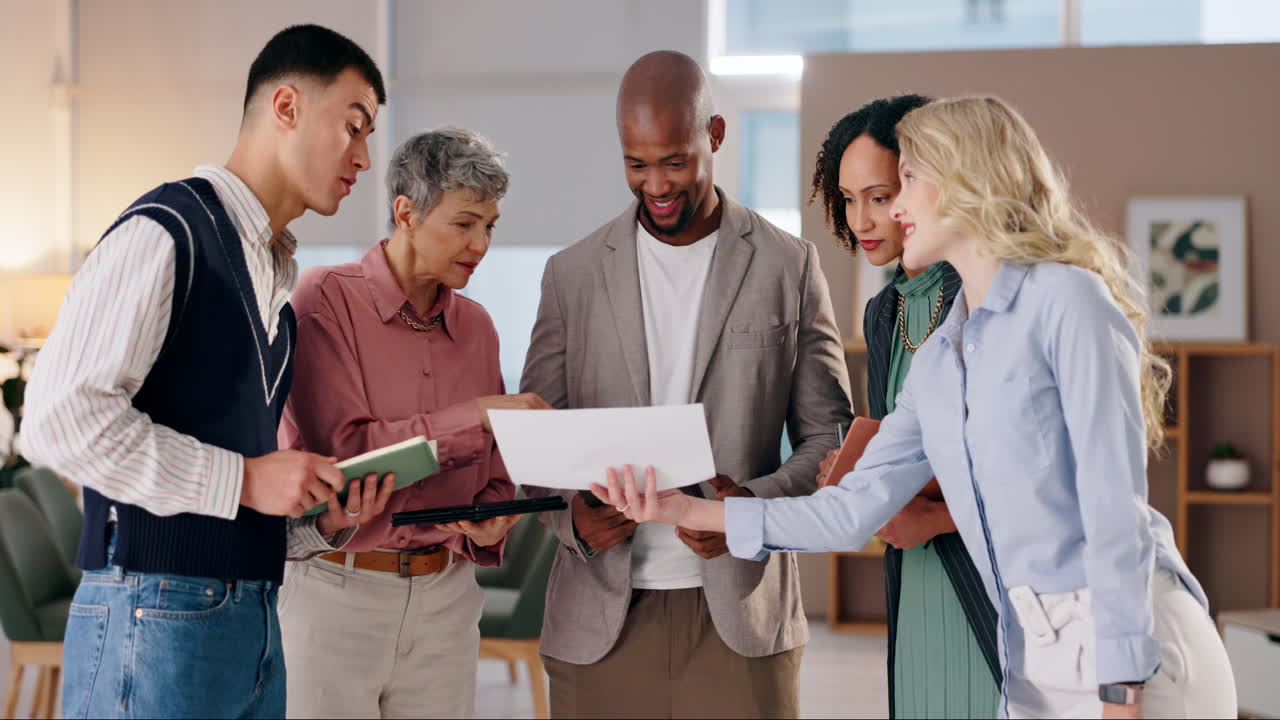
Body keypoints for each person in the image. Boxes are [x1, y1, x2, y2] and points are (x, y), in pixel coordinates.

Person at [592, 96, 1237, 720]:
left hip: (1135, 650)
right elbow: (848, 513)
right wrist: (681, 509)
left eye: (906, 182)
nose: (892, 208)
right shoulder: (939, 361)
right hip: (1033, 657)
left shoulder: (1067, 301)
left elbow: (1112, 505)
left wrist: (1121, 684)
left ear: (965, 179)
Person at [19, 24, 386, 719]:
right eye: (354, 125)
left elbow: (234, 493)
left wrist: (317, 522)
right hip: (153, 611)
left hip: (250, 620)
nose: (365, 157)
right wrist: (246, 478)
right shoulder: (167, 231)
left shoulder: (276, 291)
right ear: (286, 107)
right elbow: (57, 421)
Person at [520, 50, 852, 719]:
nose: (655, 185)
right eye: (635, 164)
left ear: (715, 135)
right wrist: (573, 516)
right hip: (599, 621)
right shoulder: (571, 275)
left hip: (742, 617)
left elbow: (830, 439)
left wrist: (749, 511)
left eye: (673, 162)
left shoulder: (787, 265)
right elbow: (535, 439)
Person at [277, 127, 548, 719]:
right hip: (336, 595)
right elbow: (345, 454)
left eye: (490, 225)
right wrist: (474, 416)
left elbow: (494, 472)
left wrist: (491, 520)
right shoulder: (324, 299)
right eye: (464, 223)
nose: (480, 243)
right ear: (406, 213)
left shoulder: (477, 326)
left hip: (446, 599)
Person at [811, 95, 1000, 718]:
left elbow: (1020, 468)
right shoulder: (882, 312)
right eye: (848, 199)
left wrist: (935, 520)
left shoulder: (980, 291)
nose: (863, 219)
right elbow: (901, 447)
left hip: (983, 576)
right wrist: (854, 470)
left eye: (880, 195)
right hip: (912, 577)